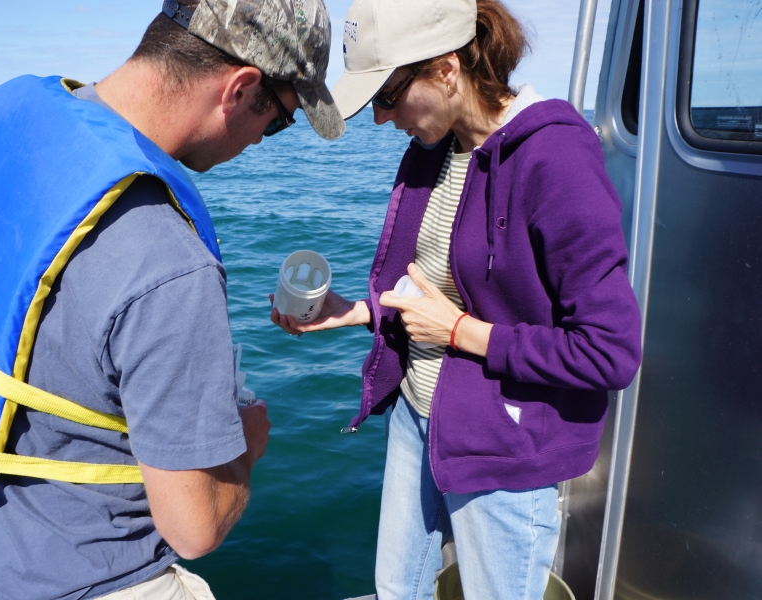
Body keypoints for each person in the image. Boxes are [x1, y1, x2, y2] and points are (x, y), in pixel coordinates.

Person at [0, 1, 343, 599]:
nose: (264, 142)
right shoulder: (168, 262)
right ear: (241, 89)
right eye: (279, 123)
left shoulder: (3, 113)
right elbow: (195, 527)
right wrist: (245, 448)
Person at [271, 0, 642, 598]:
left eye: (388, 96)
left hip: (505, 448)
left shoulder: (555, 157)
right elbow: (439, 295)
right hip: (418, 418)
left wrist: (462, 333)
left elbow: (610, 352)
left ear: (446, 68)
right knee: (397, 591)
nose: (381, 119)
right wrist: (360, 311)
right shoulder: (433, 150)